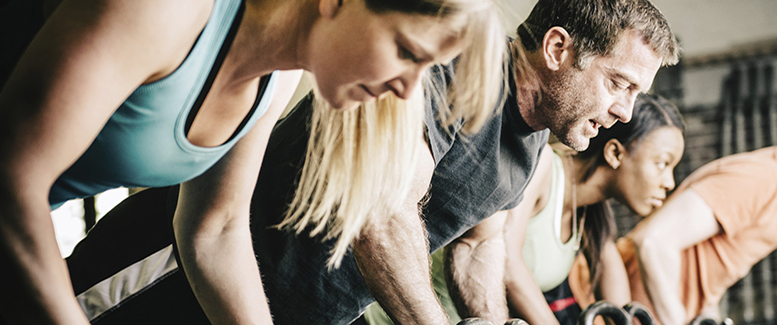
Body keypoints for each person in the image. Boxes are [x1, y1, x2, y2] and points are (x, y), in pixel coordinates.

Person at [60, 0, 680, 324]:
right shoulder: (443, 66)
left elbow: (479, 244)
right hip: (179, 270)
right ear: (557, 48)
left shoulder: (531, 143)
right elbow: (382, 214)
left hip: (300, 310)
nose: (625, 111)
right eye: (619, 83)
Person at [0, 0, 506, 323]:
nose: (407, 88)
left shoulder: (276, 74)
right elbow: (14, 179)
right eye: (405, 51)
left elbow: (214, 230)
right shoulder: (172, 10)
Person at [364, 94, 686, 325]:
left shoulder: (592, 217)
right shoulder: (543, 166)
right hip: (402, 315)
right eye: (662, 164)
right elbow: (509, 265)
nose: (669, 182)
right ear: (615, 153)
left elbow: (617, 301)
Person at [583, 127, 777, 325]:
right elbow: (654, 242)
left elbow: (705, 275)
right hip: (598, 310)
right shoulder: (761, 180)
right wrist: (676, 322)